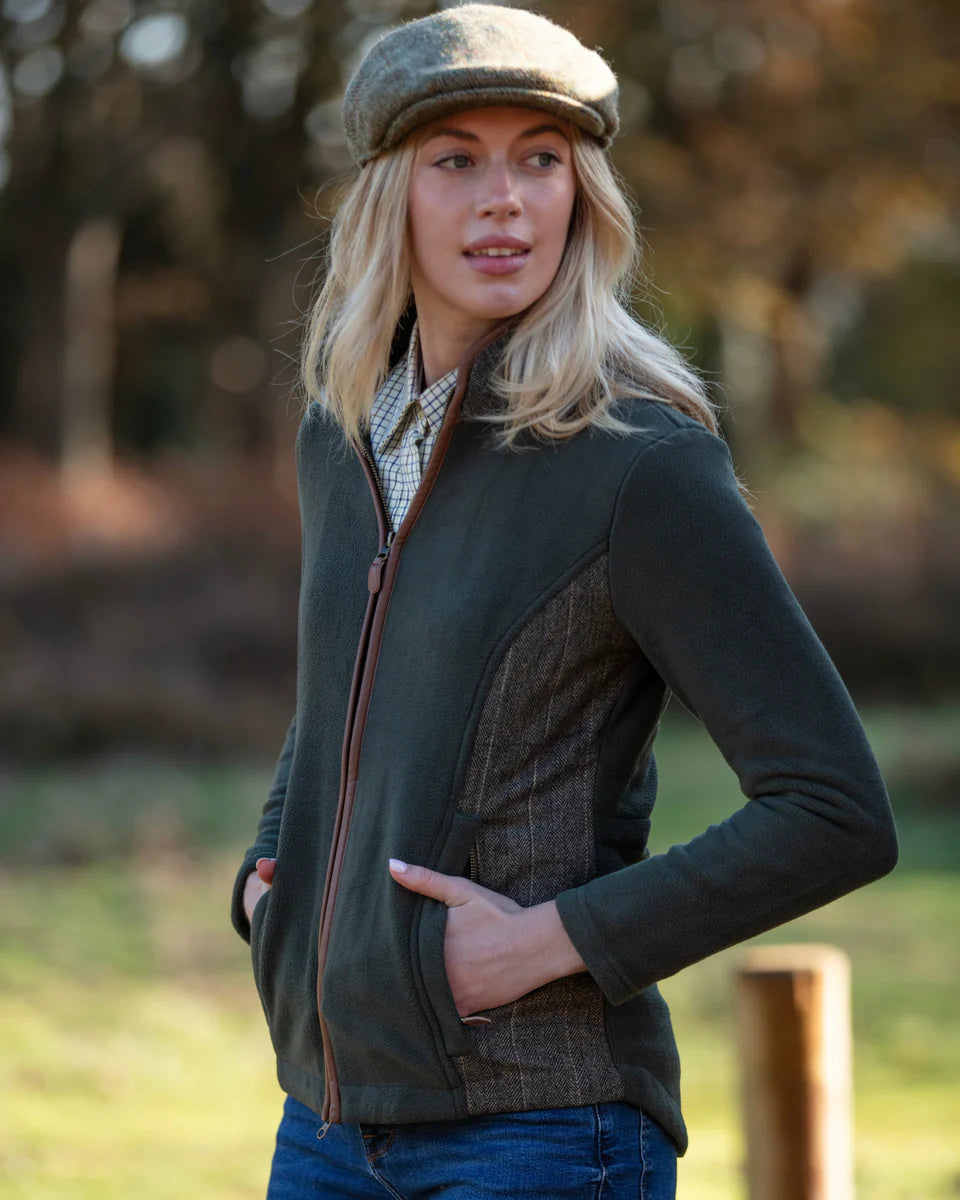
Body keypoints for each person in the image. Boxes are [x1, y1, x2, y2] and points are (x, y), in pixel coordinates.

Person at [230, 6, 899, 1197]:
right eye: (457, 161)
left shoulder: (639, 462)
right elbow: (339, 694)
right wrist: (266, 874)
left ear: (582, 195)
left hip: (543, 1130)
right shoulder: (343, 436)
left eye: (541, 159)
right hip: (325, 1126)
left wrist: (544, 944)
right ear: (389, 196)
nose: (506, 201)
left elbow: (834, 809)